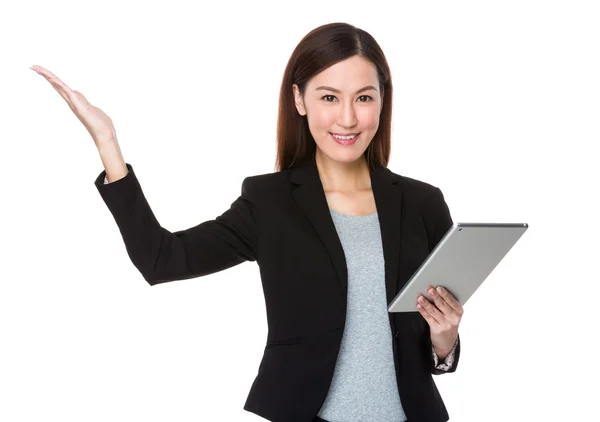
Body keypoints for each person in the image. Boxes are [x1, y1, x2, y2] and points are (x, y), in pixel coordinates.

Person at [32, 22, 463, 422]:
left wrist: (445, 341)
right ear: (299, 99)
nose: (347, 118)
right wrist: (107, 142)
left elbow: (429, 348)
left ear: (382, 100)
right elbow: (161, 259)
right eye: (329, 97)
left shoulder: (424, 203)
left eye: (363, 98)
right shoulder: (270, 202)